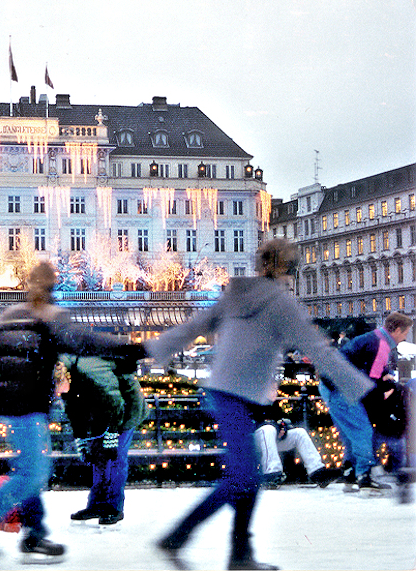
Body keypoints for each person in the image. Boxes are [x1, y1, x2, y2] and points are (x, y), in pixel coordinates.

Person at [146, 239, 372, 571]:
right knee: (244, 477)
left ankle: (234, 553)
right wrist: (361, 388)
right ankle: (188, 539)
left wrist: (154, 348)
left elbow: (194, 327)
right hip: (235, 396)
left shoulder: (236, 294)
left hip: (224, 391)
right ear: (288, 269)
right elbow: (319, 351)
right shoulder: (282, 303)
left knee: (245, 476)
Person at [0, 261, 146, 563]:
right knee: (35, 473)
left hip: (11, 406)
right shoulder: (50, 318)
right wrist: (131, 348)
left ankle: (35, 534)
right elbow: (87, 340)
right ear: (52, 287)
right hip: (29, 408)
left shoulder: (9, 317)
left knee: (30, 471)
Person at [59, 354, 146, 525]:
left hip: (126, 407)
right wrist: (82, 442)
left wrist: (112, 437)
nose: (58, 393)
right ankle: (97, 505)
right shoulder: (66, 381)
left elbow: (115, 403)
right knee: (99, 458)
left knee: (115, 458)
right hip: (101, 412)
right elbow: (74, 413)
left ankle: (114, 507)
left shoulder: (91, 374)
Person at [338, 312, 414, 495]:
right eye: (404, 334)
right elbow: (371, 381)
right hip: (344, 389)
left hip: (339, 386)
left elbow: (370, 368)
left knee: (356, 433)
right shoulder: (382, 344)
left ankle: (351, 475)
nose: (404, 338)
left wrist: (384, 375)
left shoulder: (374, 338)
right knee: (363, 432)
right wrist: (386, 387)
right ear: (396, 330)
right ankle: (365, 479)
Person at [254, 407, 338, 489]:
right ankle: (271, 473)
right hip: (251, 440)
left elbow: (280, 420)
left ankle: (317, 472)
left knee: (299, 433)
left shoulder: (270, 404)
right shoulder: (248, 399)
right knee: (268, 430)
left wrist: (282, 429)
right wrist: (274, 427)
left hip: (271, 438)